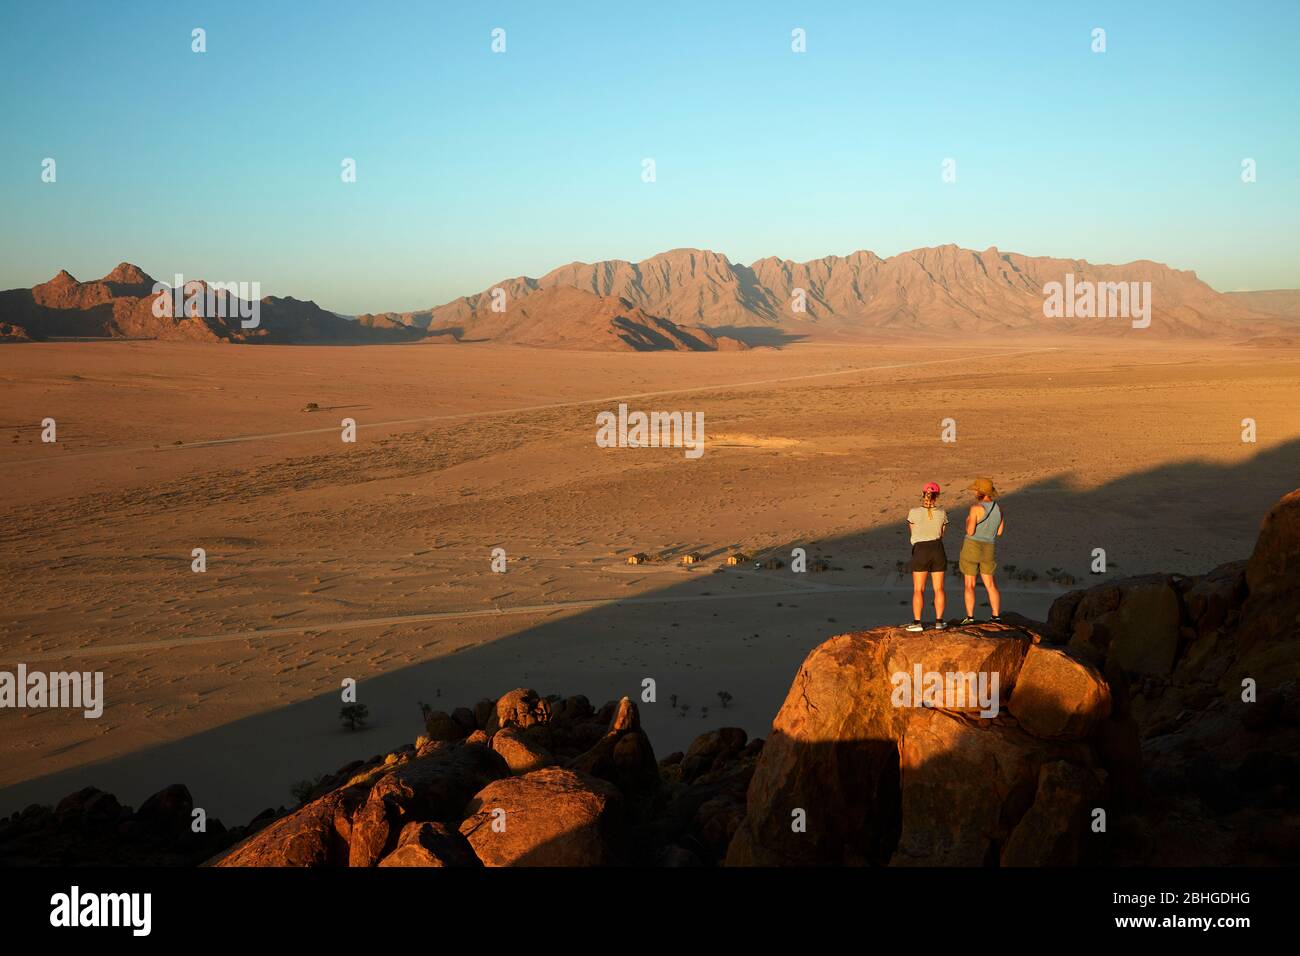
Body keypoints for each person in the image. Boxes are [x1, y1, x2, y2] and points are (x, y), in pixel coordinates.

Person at [959, 477, 1004, 625]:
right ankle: (996, 616)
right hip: (989, 548)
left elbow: (970, 531)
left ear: (981, 492)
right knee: (990, 584)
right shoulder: (998, 509)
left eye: (976, 490)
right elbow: (999, 532)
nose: (975, 492)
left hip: (972, 546)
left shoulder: (976, 508)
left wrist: (967, 521)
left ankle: (970, 618)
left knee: (969, 584)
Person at [905, 481, 948, 631]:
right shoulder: (942, 513)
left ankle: (917, 623)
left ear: (923, 494)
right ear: (937, 496)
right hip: (937, 549)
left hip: (920, 549)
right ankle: (939, 622)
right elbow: (942, 534)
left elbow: (913, 532)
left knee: (918, 589)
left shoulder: (913, 512)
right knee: (939, 589)